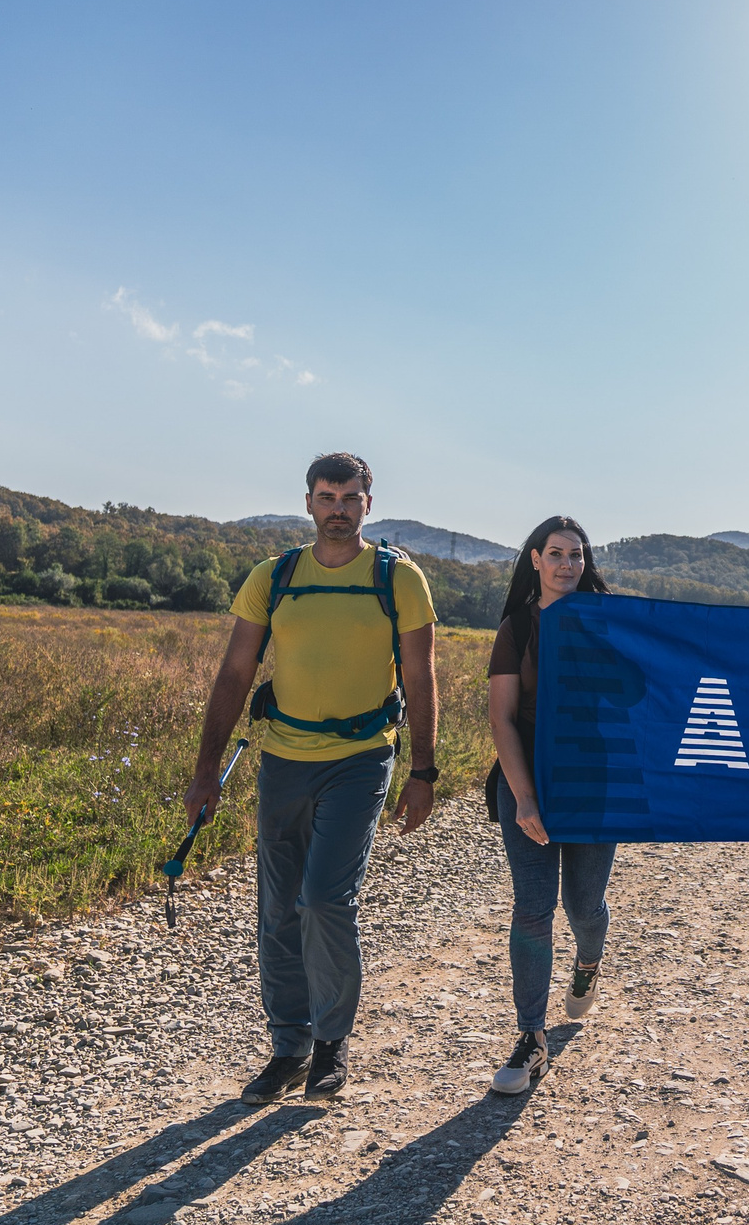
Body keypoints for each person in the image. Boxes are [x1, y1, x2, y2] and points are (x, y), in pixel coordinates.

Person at [186, 453, 439, 1105]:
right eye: (327, 497)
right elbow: (235, 673)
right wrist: (206, 771)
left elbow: (420, 677)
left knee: (324, 898)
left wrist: (423, 771)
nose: (338, 509)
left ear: (367, 504)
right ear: (308, 502)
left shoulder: (398, 578)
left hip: (362, 758)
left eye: (350, 498)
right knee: (278, 907)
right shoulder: (274, 577)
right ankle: (289, 1049)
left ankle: (331, 1044)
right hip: (283, 759)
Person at [481, 517, 622, 1095]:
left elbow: (640, 696)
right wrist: (524, 797)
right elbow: (502, 718)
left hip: (593, 782)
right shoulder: (518, 627)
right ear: (535, 559)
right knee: (534, 910)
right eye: (557, 554)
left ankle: (588, 963)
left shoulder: (608, 624)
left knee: (584, 906)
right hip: (528, 778)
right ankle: (531, 1037)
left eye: (577, 555)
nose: (568, 565)